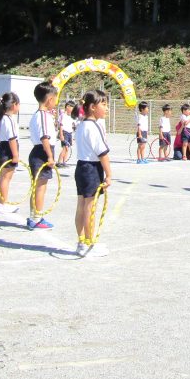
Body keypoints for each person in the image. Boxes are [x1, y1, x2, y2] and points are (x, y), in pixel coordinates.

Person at [74, 89, 112, 257]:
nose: (106, 108)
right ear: (92, 107)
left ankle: (82, 241)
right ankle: (89, 243)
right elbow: (102, 153)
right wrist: (109, 175)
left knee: (82, 205)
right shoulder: (94, 126)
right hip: (91, 169)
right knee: (90, 207)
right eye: (103, 104)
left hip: (81, 167)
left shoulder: (81, 125)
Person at [26, 83, 59, 230]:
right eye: (55, 98)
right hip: (42, 153)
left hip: (39, 151)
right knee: (40, 187)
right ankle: (36, 218)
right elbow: (45, 138)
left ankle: (34, 216)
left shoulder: (39, 115)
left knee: (37, 186)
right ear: (50, 99)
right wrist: (50, 157)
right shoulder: (43, 116)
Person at [0, 93, 22, 213]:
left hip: (3, 147)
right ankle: (2, 204)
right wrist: (15, 155)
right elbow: (12, 139)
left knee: (3, 177)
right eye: (18, 104)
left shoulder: (2, 118)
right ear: (14, 105)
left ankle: (1, 203)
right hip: (8, 149)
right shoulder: (8, 119)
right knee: (6, 178)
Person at [57, 101, 76, 167]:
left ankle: (64, 162)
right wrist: (61, 135)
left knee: (67, 148)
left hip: (69, 133)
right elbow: (61, 126)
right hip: (64, 133)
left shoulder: (71, 116)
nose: (73, 109)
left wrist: (73, 137)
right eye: (72, 107)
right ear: (67, 107)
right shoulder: (62, 115)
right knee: (65, 148)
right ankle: (59, 162)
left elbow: (74, 125)